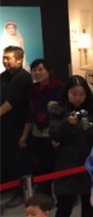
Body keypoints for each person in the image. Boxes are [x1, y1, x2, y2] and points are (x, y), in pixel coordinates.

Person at [49, 76, 93, 217]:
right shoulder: (58, 110)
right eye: (74, 94)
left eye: (81, 94)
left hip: (88, 163)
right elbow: (54, 134)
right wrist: (67, 123)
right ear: (67, 93)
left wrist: (92, 126)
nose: (78, 98)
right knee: (64, 207)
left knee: (89, 204)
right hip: (66, 165)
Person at [19, 59, 64, 196]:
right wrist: (24, 135)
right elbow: (30, 113)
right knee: (40, 162)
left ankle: (59, 193)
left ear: (48, 71)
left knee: (53, 163)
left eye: (40, 69)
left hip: (53, 131)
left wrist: (58, 135)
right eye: (34, 70)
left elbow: (63, 112)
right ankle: (45, 192)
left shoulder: (58, 87)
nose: (37, 73)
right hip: (37, 131)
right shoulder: (33, 90)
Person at [1, 46, 33, 208]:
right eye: (4, 57)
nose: (5, 61)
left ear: (19, 60)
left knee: (20, 160)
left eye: (8, 58)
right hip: (4, 127)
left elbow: (11, 102)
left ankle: (21, 192)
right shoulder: (4, 76)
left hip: (19, 126)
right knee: (7, 159)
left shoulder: (24, 78)